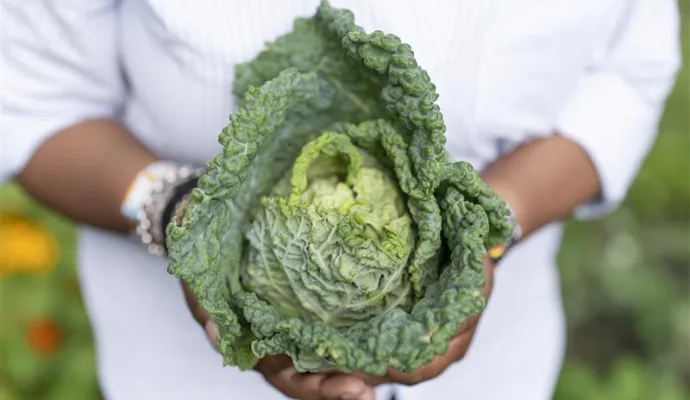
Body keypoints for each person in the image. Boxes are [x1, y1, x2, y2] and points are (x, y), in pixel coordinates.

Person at [2, 1, 681, 399]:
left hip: (500, 371)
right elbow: (33, 100)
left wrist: (485, 229)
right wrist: (185, 215)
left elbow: (626, 74)